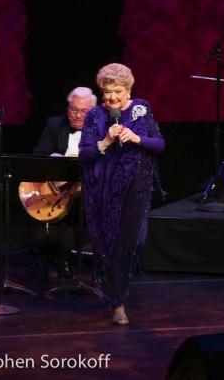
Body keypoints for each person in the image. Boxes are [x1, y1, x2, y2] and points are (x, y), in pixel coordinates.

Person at [78, 63, 165, 325]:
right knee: (111, 246)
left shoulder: (141, 109)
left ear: (128, 90)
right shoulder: (95, 115)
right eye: (107, 92)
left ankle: (117, 289)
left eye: (117, 91)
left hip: (136, 187)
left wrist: (137, 139)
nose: (112, 97)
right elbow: (84, 156)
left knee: (136, 241)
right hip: (104, 191)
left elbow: (159, 145)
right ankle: (117, 302)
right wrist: (104, 141)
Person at [30, 87, 97, 279]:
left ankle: (102, 275)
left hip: (91, 197)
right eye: (73, 109)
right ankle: (63, 259)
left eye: (83, 111)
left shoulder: (103, 128)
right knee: (43, 239)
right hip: (60, 196)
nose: (77, 116)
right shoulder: (55, 124)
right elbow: (40, 155)